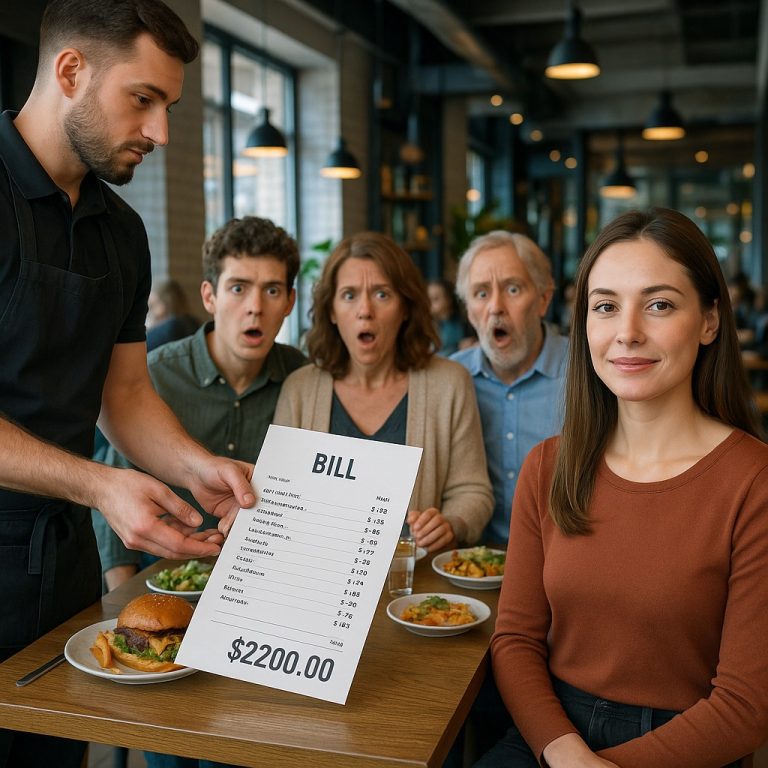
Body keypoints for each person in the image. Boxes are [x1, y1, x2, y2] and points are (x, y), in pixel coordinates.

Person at [0, 4, 255, 765]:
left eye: (167, 106)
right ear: (70, 70)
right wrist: (101, 486)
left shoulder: (122, 230)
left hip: (62, 561)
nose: (161, 131)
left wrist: (196, 467)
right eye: (142, 99)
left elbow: (127, 397)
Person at [479, 208, 768, 768]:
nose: (627, 332)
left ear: (710, 321)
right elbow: (515, 640)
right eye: (606, 306)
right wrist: (564, 753)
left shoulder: (753, 482)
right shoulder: (550, 466)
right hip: (552, 735)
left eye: (659, 304)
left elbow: (745, 704)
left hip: (689, 746)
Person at [92, 215, 306, 593]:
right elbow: (114, 495)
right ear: (210, 296)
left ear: (290, 301)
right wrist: (120, 598)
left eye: (272, 291)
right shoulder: (154, 376)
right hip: (161, 572)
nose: (255, 307)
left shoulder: (304, 381)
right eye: (239, 288)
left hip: (267, 577)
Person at [274, 231, 493, 551]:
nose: (365, 310)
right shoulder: (300, 390)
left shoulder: (450, 384)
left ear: (405, 307)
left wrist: (451, 523)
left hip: (414, 585)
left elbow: (473, 491)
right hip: (318, 581)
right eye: (349, 295)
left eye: (381, 294)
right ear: (332, 311)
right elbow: (280, 499)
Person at [452, 231, 568, 547]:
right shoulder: (451, 380)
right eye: (480, 294)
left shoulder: (587, 374)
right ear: (468, 310)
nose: (496, 307)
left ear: (544, 299)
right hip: (471, 563)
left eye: (513, 289)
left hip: (564, 559)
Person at [146, 276, 201, 350]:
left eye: (153, 306)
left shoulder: (171, 328)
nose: (151, 314)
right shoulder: (194, 324)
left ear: (165, 304)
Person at [426, 278, 471, 355]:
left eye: (435, 299)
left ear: (449, 299)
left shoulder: (464, 323)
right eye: (427, 299)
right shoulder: (426, 324)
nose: (430, 303)